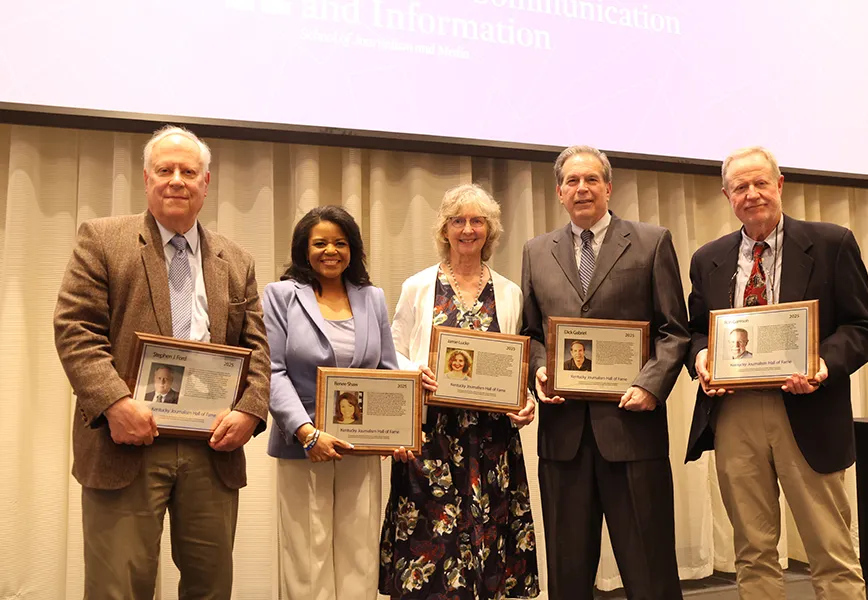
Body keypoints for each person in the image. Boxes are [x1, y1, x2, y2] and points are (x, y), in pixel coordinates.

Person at [53, 125, 271, 599]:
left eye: (188, 171)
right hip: (125, 441)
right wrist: (114, 404)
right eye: (165, 170)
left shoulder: (236, 259)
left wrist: (251, 410)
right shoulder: (103, 239)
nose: (177, 180)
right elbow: (75, 330)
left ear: (206, 183)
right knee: (118, 587)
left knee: (211, 587)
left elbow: (257, 348)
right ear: (146, 178)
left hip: (211, 447)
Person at [685, 146, 868, 600]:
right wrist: (700, 358)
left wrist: (823, 364)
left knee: (830, 548)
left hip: (809, 408)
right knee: (753, 550)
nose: (751, 194)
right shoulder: (707, 258)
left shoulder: (832, 243)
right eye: (740, 187)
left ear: (780, 184)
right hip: (734, 415)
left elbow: (864, 327)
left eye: (760, 183)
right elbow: (696, 331)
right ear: (726, 195)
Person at [521, 145, 689, 600]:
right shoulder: (537, 251)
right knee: (568, 570)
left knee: (649, 568)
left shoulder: (653, 241)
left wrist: (650, 385)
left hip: (632, 430)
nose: (582, 189)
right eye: (572, 181)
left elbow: (674, 330)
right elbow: (531, 334)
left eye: (591, 179)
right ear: (559, 192)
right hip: (564, 437)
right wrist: (539, 372)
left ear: (608, 187)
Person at [380, 183, 540, 599]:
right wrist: (415, 372)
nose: (467, 229)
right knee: (431, 545)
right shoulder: (418, 287)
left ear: (490, 231)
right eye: (458, 221)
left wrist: (525, 401)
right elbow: (392, 351)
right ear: (444, 229)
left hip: (491, 441)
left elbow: (515, 363)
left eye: (477, 221)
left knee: (489, 543)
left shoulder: (509, 292)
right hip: (432, 438)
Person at [264, 205, 399, 600]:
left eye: (340, 243)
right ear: (304, 250)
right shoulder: (281, 296)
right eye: (319, 242)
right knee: (308, 555)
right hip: (303, 445)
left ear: (352, 249)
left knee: (360, 552)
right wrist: (307, 433)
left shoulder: (372, 298)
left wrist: (397, 431)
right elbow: (272, 371)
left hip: (362, 448)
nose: (330, 251)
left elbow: (388, 372)